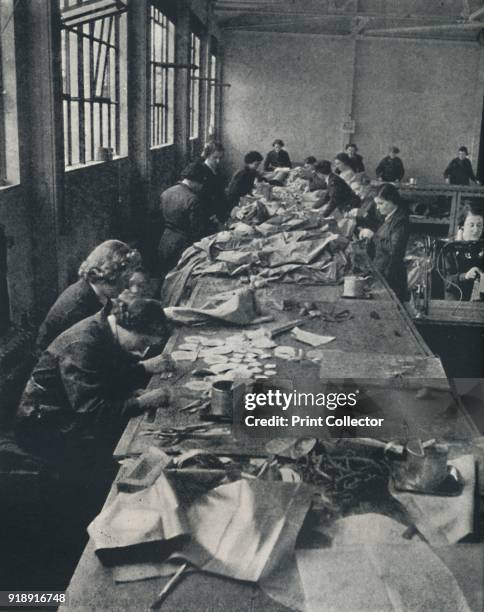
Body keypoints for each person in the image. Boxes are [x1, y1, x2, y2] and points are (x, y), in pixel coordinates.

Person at [16, 296, 173, 475]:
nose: (143, 350)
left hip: (67, 411)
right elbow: (91, 412)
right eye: (144, 342)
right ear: (130, 328)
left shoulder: (104, 328)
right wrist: (141, 402)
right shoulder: (83, 345)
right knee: (128, 456)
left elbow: (104, 375)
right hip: (45, 426)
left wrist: (140, 372)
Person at [36, 240, 142, 353]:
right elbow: (86, 352)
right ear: (110, 273)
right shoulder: (78, 306)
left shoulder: (98, 293)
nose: (126, 286)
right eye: (125, 279)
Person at [361, 183, 410, 302]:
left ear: (392, 201)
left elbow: (395, 249)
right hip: (382, 270)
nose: (377, 207)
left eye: (381, 203)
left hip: (391, 276)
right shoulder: (389, 216)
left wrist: (373, 237)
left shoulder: (401, 221)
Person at [158, 162, 208, 276]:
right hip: (183, 244)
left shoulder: (166, 193)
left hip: (165, 240)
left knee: (165, 276)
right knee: (180, 278)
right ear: (196, 181)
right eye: (201, 183)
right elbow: (197, 230)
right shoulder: (193, 199)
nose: (202, 187)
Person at [444, 203, 484, 301]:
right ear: (462, 226)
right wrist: (465, 276)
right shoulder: (450, 248)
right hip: (455, 304)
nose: (476, 230)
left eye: (479, 226)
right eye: (471, 225)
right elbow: (446, 282)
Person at [199, 140, 230, 224]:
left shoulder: (217, 169)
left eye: (220, 158)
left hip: (219, 209)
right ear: (207, 155)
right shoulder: (202, 171)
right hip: (209, 214)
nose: (218, 161)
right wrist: (212, 216)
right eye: (215, 157)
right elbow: (203, 199)